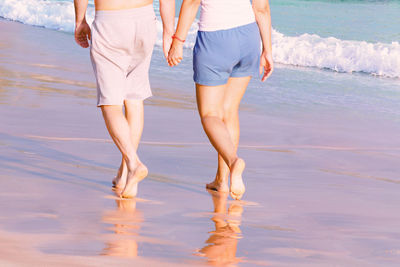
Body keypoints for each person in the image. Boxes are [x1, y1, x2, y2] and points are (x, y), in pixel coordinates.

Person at [168, 0, 273, 199]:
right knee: (230, 110)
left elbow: (191, 3)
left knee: (210, 114)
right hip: (249, 37)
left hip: (215, 39)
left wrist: (177, 42)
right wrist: (267, 49)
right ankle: (222, 180)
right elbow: (262, 8)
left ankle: (233, 162)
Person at [73, 0, 175, 198]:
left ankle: (133, 163)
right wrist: (168, 31)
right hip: (145, 21)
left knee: (110, 103)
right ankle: (125, 175)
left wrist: (80, 20)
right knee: (134, 97)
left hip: (111, 21)